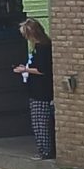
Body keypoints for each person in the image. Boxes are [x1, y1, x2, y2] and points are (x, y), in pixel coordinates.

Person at [13, 19, 55, 160]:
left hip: (41, 92)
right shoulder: (38, 47)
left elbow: (42, 69)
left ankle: (46, 151)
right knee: (39, 122)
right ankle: (44, 149)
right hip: (35, 90)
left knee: (41, 123)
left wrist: (26, 70)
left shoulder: (43, 48)